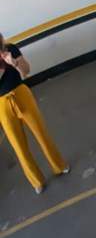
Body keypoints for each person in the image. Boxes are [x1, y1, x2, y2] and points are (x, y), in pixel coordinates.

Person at [0, 31, 69, 193]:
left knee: (41, 133)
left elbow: (26, 71)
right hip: (2, 104)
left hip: (21, 94)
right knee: (18, 145)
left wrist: (14, 63)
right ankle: (36, 181)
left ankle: (59, 165)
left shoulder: (11, 49)